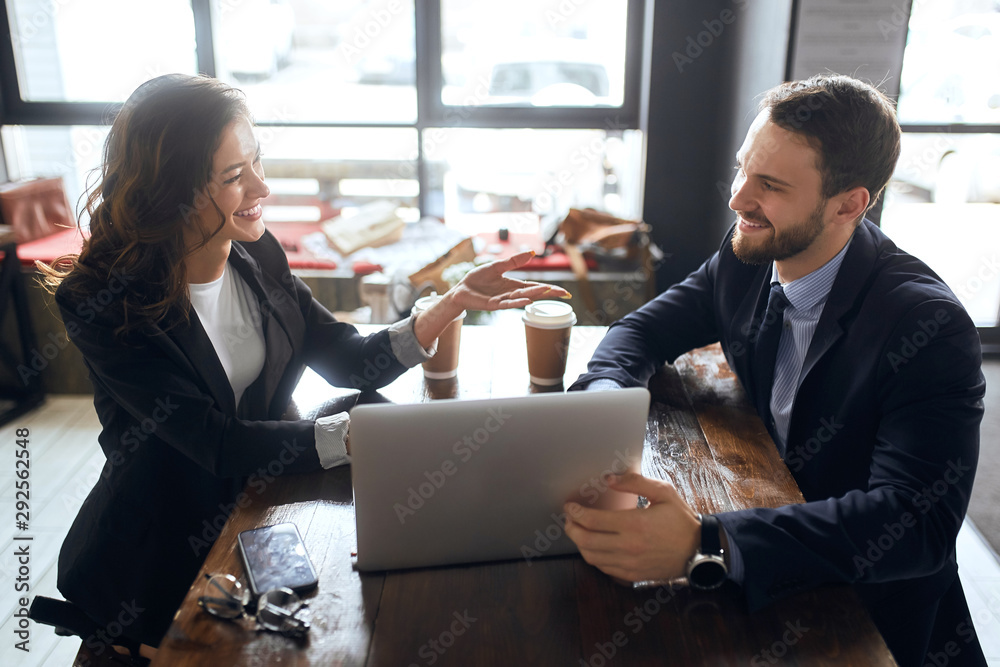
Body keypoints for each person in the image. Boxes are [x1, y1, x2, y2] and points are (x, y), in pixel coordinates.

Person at [38, 73, 570, 659]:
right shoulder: (107, 302)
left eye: (256, 162)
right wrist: (360, 436)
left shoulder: (257, 253)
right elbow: (214, 442)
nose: (262, 186)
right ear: (173, 194)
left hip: (255, 515)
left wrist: (446, 307)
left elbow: (345, 358)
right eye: (235, 177)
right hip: (152, 563)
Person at [564, 74, 987, 667]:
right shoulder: (749, 254)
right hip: (764, 527)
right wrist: (604, 402)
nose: (737, 198)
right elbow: (643, 330)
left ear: (849, 204)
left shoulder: (927, 327)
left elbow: (915, 524)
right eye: (743, 168)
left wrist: (706, 543)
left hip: (863, 609)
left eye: (770, 185)